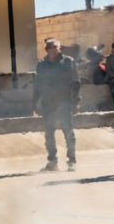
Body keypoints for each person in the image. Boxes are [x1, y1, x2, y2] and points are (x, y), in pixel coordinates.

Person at [32, 39, 80, 172]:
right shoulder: (41, 65)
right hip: (48, 103)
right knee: (49, 134)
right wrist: (35, 103)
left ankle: (72, 161)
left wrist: (75, 102)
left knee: (68, 133)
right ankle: (52, 162)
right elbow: (38, 85)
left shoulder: (68, 62)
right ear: (46, 49)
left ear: (60, 48)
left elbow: (76, 82)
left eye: (56, 47)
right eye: (50, 47)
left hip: (64, 102)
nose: (54, 49)